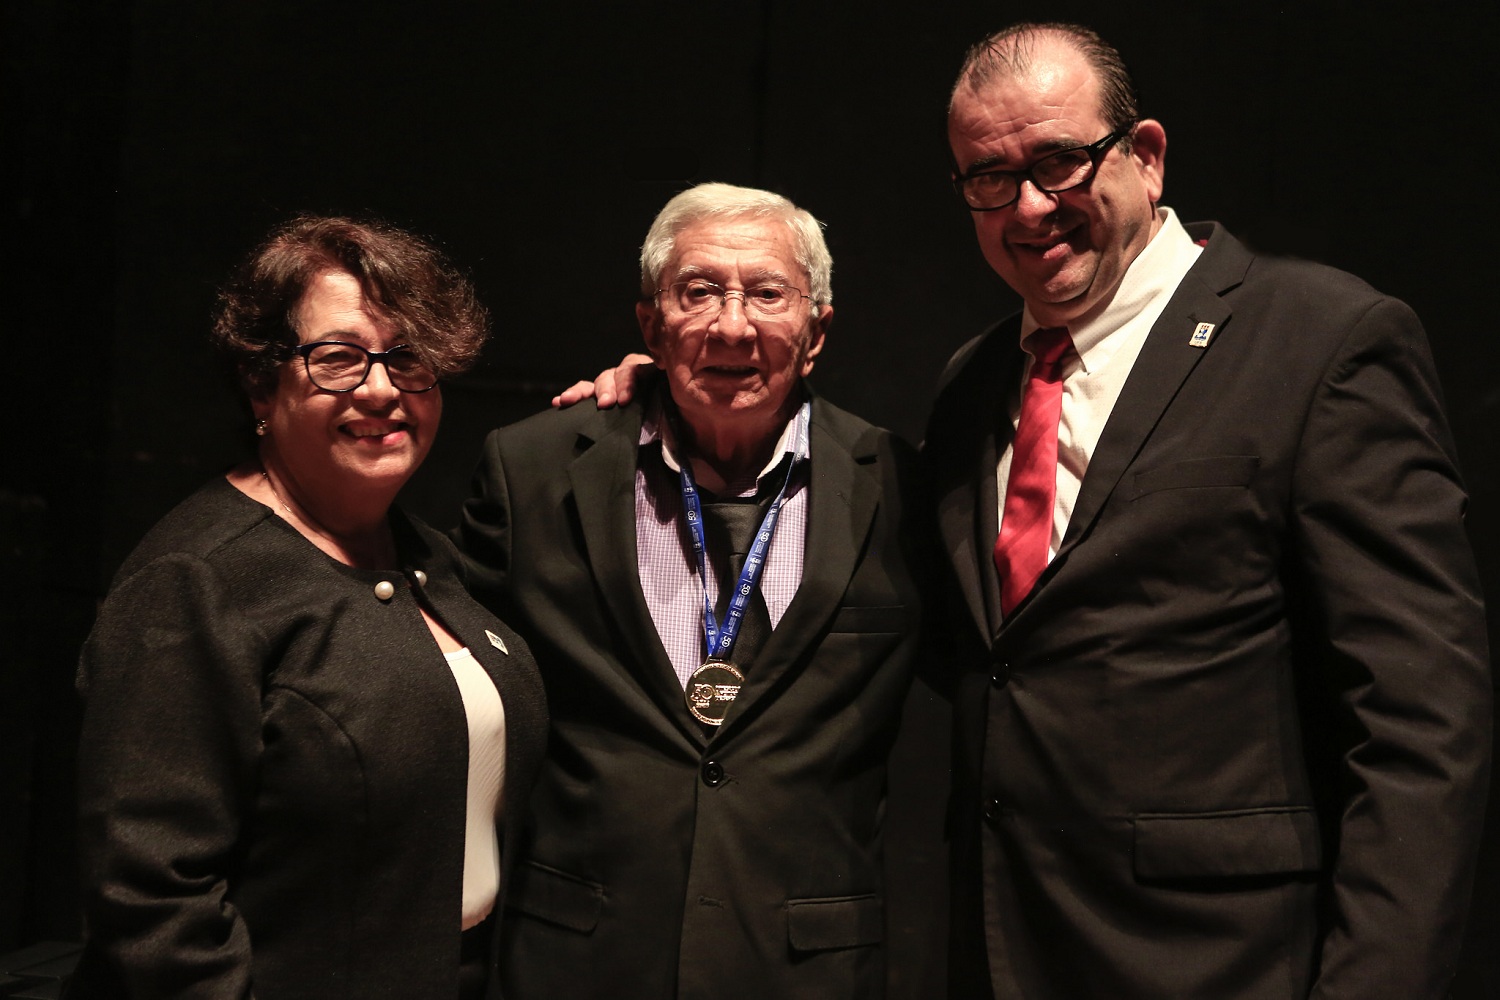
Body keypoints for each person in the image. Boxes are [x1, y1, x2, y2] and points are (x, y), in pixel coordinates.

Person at [565, 22, 1492, 1000]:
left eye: (1060, 161)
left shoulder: (1320, 341)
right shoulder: (976, 386)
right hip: (1005, 951)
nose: (1030, 206)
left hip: (1231, 963)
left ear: (1145, 155)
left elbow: (1420, 720)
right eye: (987, 177)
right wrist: (689, 397)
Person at [454, 183, 928, 998]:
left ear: (817, 332)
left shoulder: (902, 487)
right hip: (578, 960)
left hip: (805, 968)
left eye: (767, 294)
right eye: (698, 292)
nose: (732, 325)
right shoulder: (532, 471)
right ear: (651, 324)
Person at [72, 216, 548, 999]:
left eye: (409, 358)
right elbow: (153, 910)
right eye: (338, 359)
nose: (382, 388)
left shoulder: (426, 556)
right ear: (262, 381)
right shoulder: (196, 581)